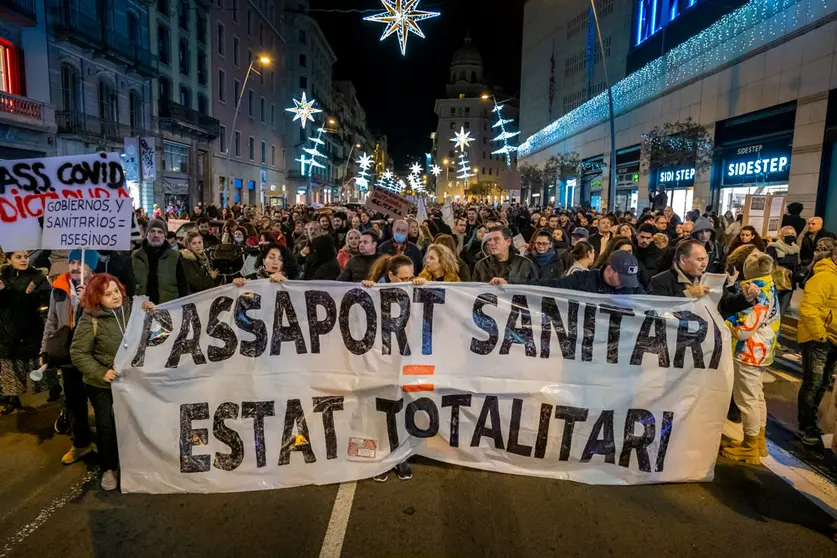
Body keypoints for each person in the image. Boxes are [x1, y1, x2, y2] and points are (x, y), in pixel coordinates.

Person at [70, 274, 150, 491]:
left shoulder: (134, 310)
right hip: (102, 385)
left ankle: (136, 463)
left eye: (117, 291)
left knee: (136, 421)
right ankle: (108, 468)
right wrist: (100, 372)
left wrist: (152, 310)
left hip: (133, 380)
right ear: (97, 297)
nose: (115, 297)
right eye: (108, 294)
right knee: (106, 426)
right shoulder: (90, 319)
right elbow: (77, 353)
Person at [721, 252, 779, 464]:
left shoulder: (757, 292)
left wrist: (726, 323)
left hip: (749, 352)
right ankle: (759, 440)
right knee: (757, 395)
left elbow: (744, 330)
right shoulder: (768, 283)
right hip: (764, 349)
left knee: (747, 400)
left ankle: (750, 445)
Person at [41, 250, 98, 463]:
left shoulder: (103, 286)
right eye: (72, 261)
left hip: (94, 356)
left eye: (80, 263)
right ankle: (80, 443)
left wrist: (88, 300)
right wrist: (45, 349)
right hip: (67, 354)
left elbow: (111, 317)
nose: (74, 267)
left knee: (101, 403)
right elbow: (51, 321)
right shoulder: (58, 287)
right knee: (74, 402)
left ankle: (111, 446)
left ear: (90, 267)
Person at [0, 250, 52, 414]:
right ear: (9, 259)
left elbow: (47, 299)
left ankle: (54, 389)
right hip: (8, 330)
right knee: (10, 366)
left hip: (31, 328)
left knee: (38, 363)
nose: (23, 260)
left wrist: (34, 294)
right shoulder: (3, 277)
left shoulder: (37, 276)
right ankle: (12, 398)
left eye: (25, 257)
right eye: (18, 257)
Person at [796, 245, 837, 448]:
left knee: (823, 382)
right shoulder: (823, 277)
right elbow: (809, 309)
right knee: (813, 382)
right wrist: (820, 335)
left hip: (833, 338)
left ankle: (811, 423)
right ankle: (806, 426)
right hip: (818, 337)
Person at [132, 218, 189, 303]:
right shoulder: (135, 256)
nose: (156, 235)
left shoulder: (175, 256)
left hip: (168, 308)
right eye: (152, 231)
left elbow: (183, 286)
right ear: (146, 234)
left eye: (160, 232)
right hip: (142, 308)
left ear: (165, 235)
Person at [540, 251, 645, 295]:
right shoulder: (582, 280)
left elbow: (648, 305)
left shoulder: (634, 288)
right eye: (622, 278)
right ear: (609, 270)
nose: (624, 283)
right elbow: (553, 286)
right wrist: (525, 286)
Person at [473, 227, 538, 285]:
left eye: (496, 239)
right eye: (490, 240)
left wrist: (508, 285)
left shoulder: (526, 264)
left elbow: (533, 291)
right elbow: (475, 292)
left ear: (508, 242)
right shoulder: (481, 265)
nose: (491, 243)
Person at [766, 226, 801, 319]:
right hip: (776, 283)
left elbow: (797, 264)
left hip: (789, 284)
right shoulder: (772, 248)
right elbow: (769, 264)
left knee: (781, 311)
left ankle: (777, 330)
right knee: (770, 310)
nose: (790, 236)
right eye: (787, 234)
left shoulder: (796, 249)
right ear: (781, 236)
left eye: (792, 234)